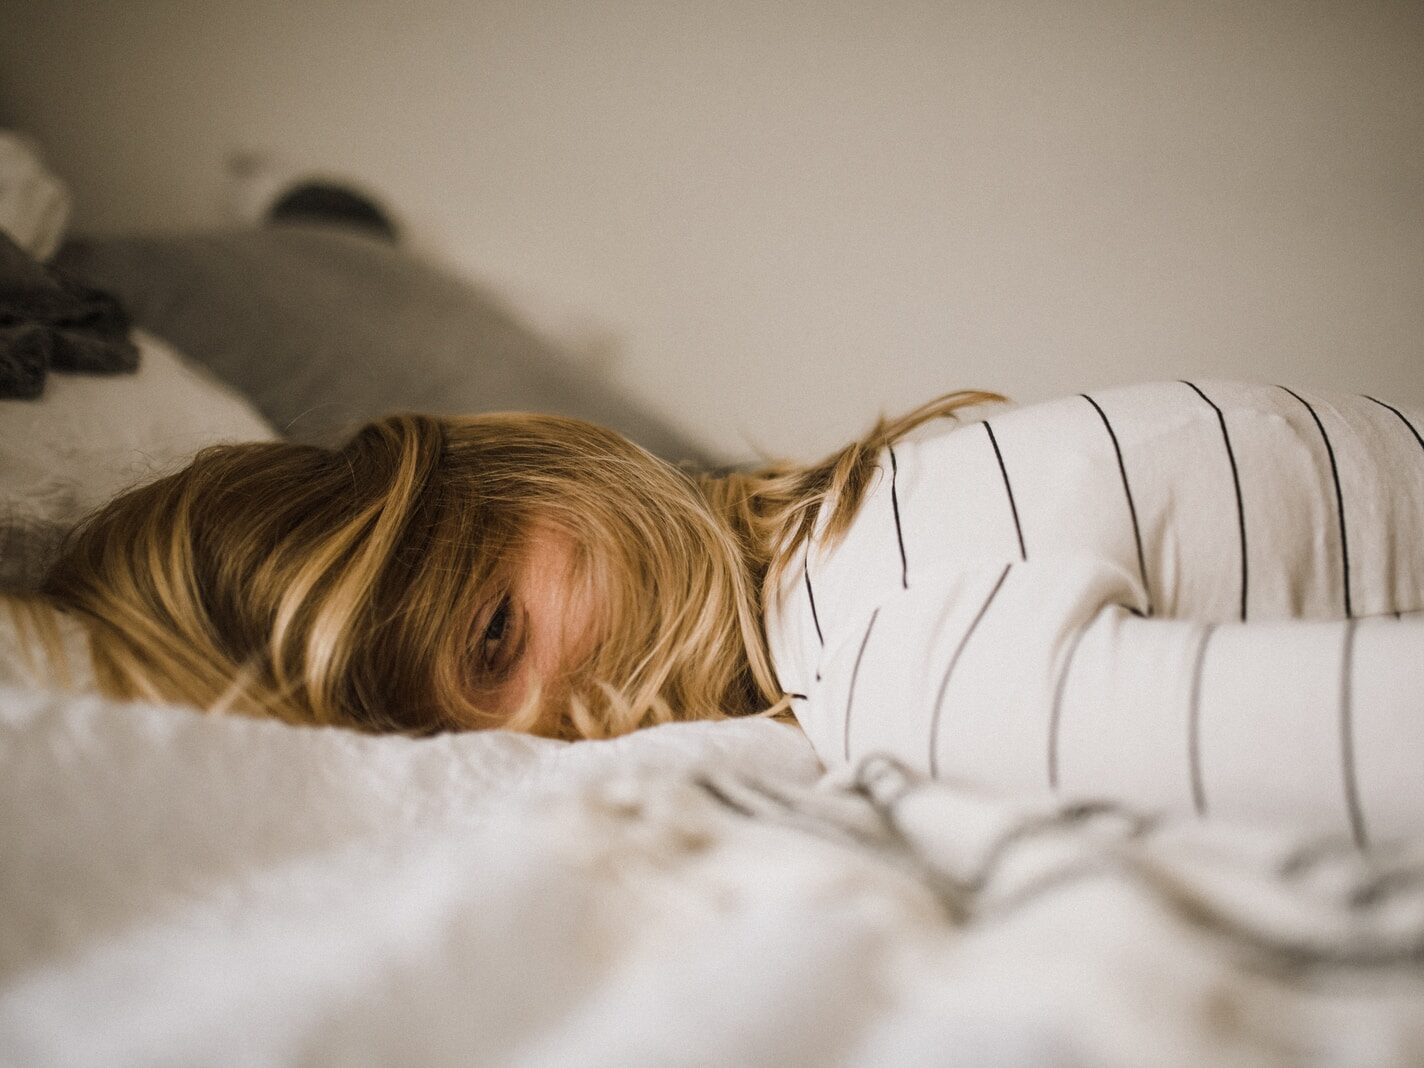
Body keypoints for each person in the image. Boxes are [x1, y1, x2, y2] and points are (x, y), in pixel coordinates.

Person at [9, 381, 1424, 836]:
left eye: (496, 638)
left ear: (530, 472)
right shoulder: (874, 615)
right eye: (468, 751)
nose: (556, 737)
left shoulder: (876, 626)